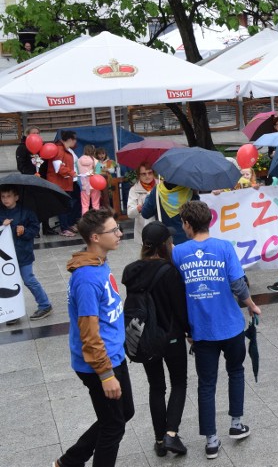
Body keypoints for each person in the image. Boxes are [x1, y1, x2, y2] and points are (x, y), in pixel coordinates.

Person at [172, 201, 261, 459]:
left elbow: (177, 291)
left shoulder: (178, 253)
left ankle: (211, 441)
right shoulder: (224, 248)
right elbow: (238, 284)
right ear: (209, 221)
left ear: (187, 225)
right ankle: (236, 424)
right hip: (231, 325)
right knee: (236, 372)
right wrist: (252, 306)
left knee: (206, 384)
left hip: (201, 331)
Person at [56, 208, 134, 467]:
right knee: (113, 427)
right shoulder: (87, 278)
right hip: (100, 362)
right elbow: (88, 334)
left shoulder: (99, 262)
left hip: (113, 354)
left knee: (124, 412)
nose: (120, 233)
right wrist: (105, 374)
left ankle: (69, 462)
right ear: (96, 238)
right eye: (114, 231)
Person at [121, 221, 189, 457]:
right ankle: (171, 434)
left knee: (156, 387)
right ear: (165, 245)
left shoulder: (130, 271)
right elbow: (179, 309)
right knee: (179, 382)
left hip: (145, 338)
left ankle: (160, 440)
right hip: (170, 337)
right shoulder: (168, 271)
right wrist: (190, 332)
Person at [0, 185, 52, 325]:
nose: (5, 200)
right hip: (5, 258)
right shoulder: (1, 213)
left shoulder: (27, 212)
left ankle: (45, 304)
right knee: (8, 283)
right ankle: (12, 311)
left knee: (29, 279)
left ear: (16, 197)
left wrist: (24, 232)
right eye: (3, 197)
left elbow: (34, 229)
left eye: (9, 196)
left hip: (23, 253)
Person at [140, 179, 197, 245]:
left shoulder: (157, 191)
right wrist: (195, 194)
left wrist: (148, 196)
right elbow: (196, 216)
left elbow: (145, 213)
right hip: (186, 239)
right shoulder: (189, 191)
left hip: (165, 241)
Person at [46, 130, 79, 237]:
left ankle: (66, 225)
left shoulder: (64, 149)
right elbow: (58, 167)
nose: (76, 142)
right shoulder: (59, 150)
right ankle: (64, 228)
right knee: (63, 206)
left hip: (64, 183)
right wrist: (71, 172)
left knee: (67, 205)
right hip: (59, 184)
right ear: (69, 139)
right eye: (74, 139)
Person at [127, 163, 158, 244]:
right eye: (143, 174)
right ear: (139, 175)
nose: (147, 176)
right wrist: (138, 208)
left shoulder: (161, 185)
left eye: (150, 173)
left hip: (160, 227)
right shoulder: (134, 190)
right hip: (144, 229)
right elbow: (130, 213)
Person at [77, 145, 100, 215]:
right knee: (95, 204)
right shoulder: (96, 161)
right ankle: (97, 220)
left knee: (85, 205)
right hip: (94, 185)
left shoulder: (78, 160)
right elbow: (98, 173)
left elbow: (78, 172)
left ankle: (85, 221)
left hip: (85, 185)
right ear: (93, 151)